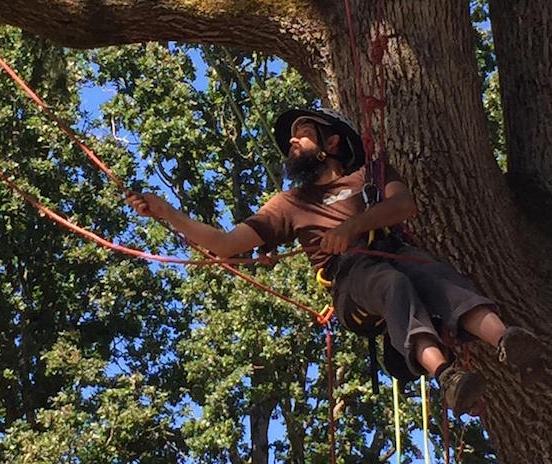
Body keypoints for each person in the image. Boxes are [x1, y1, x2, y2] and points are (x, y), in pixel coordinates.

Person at [125, 108, 544, 414]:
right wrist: (167, 212)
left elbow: (404, 204)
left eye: (302, 133)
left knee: (431, 273)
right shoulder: (288, 204)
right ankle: (445, 375)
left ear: (332, 143)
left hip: (393, 250)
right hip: (350, 281)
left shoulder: (371, 174)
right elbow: (226, 243)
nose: (292, 141)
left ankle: (507, 338)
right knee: (391, 284)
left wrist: (352, 225)